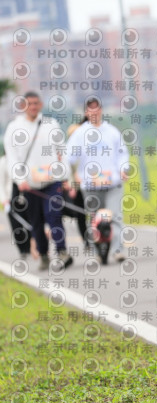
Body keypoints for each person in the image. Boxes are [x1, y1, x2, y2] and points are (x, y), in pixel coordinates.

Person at [3, 91, 73, 270]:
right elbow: (12, 158)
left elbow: (61, 150)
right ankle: (43, 254)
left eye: (36, 103)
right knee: (36, 221)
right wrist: (20, 180)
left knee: (53, 215)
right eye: (29, 104)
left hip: (52, 181)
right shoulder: (14, 128)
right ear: (23, 106)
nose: (33, 107)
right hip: (29, 184)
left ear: (41, 104)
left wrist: (65, 176)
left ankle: (62, 251)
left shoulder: (51, 124)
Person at [66, 97, 129, 262]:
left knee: (114, 215)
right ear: (86, 112)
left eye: (97, 109)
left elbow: (122, 153)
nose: (94, 112)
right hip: (90, 184)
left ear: (101, 110)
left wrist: (124, 169)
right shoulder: (80, 133)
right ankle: (96, 251)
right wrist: (71, 176)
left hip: (112, 182)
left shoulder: (112, 131)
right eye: (90, 110)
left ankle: (117, 250)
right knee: (94, 218)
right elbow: (69, 157)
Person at [63, 116, 90, 249]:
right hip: (78, 187)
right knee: (81, 214)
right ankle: (87, 241)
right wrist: (72, 187)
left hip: (92, 185)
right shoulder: (69, 151)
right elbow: (69, 170)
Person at [0, 153, 31, 259]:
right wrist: (4, 201)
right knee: (16, 226)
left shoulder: (23, 157)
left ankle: (31, 247)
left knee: (29, 222)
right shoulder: (4, 161)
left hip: (25, 196)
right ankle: (23, 250)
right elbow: (1, 183)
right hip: (10, 199)